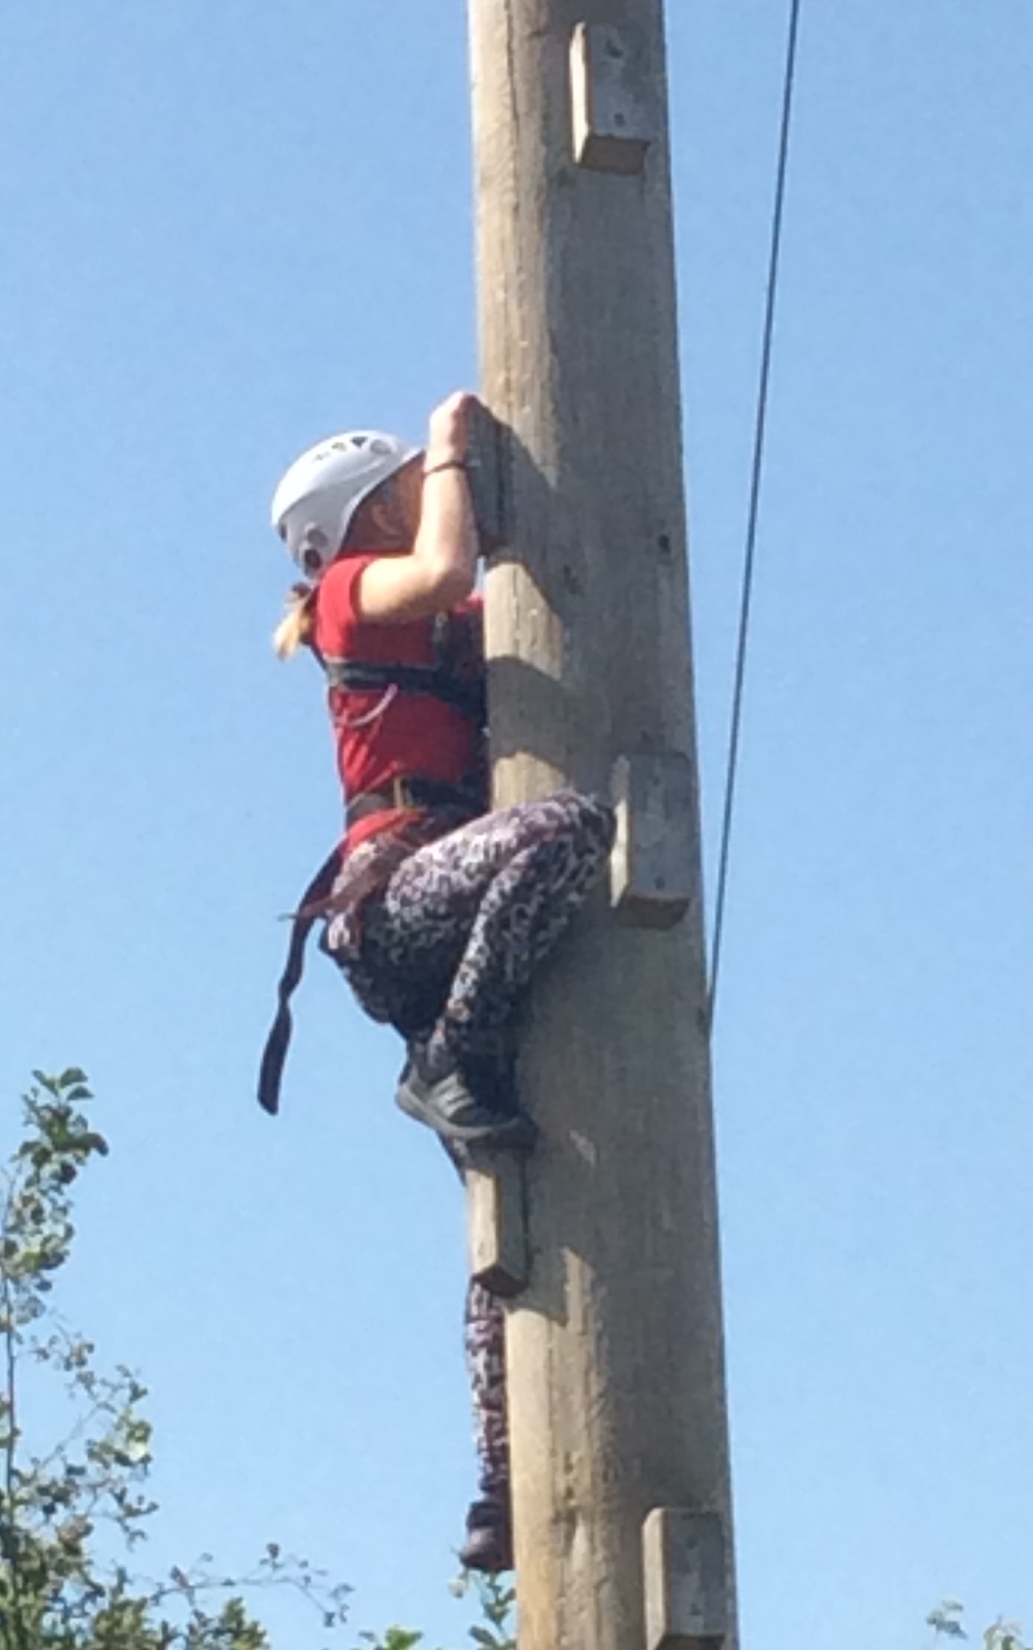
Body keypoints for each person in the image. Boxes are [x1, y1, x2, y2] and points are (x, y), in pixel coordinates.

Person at [263, 391, 613, 1573]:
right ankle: (457, 1052)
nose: (424, 492)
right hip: (395, 902)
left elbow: (505, 595)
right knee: (569, 827)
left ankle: (501, 1487)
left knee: (504, 1197)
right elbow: (448, 564)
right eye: (403, 486)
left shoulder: (429, 629)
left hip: (433, 910)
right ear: (366, 515)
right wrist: (456, 450)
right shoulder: (348, 592)